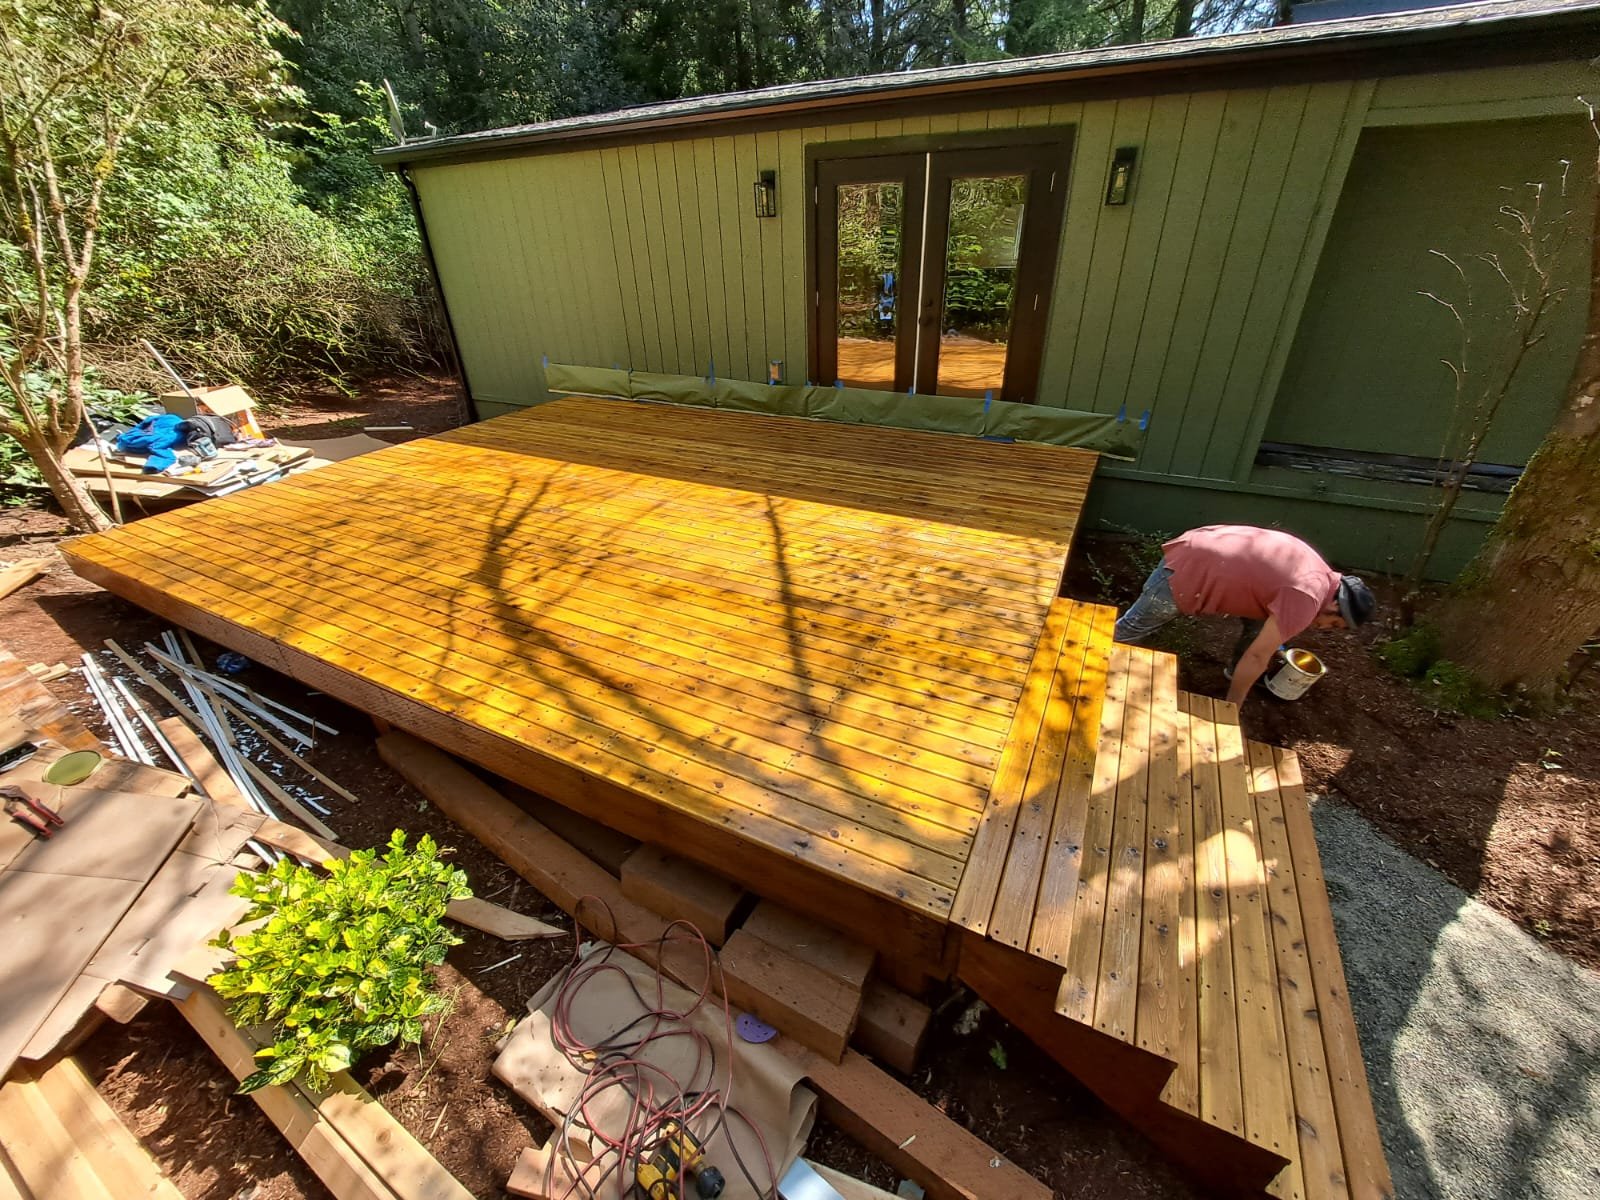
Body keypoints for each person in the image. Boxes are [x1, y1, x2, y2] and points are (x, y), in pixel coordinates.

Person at [1113, 525, 1376, 707]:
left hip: (1201, 544)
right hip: (1189, 569)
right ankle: (1087, 659)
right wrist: (1233, 706)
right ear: (1334, 606)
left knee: (1260, 627)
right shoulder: (1307, 599)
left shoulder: (1319, 572)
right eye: (1333, 624)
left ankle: (1233, 672)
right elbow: (1258, 656)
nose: (1323, 628)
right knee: (1131, 630)